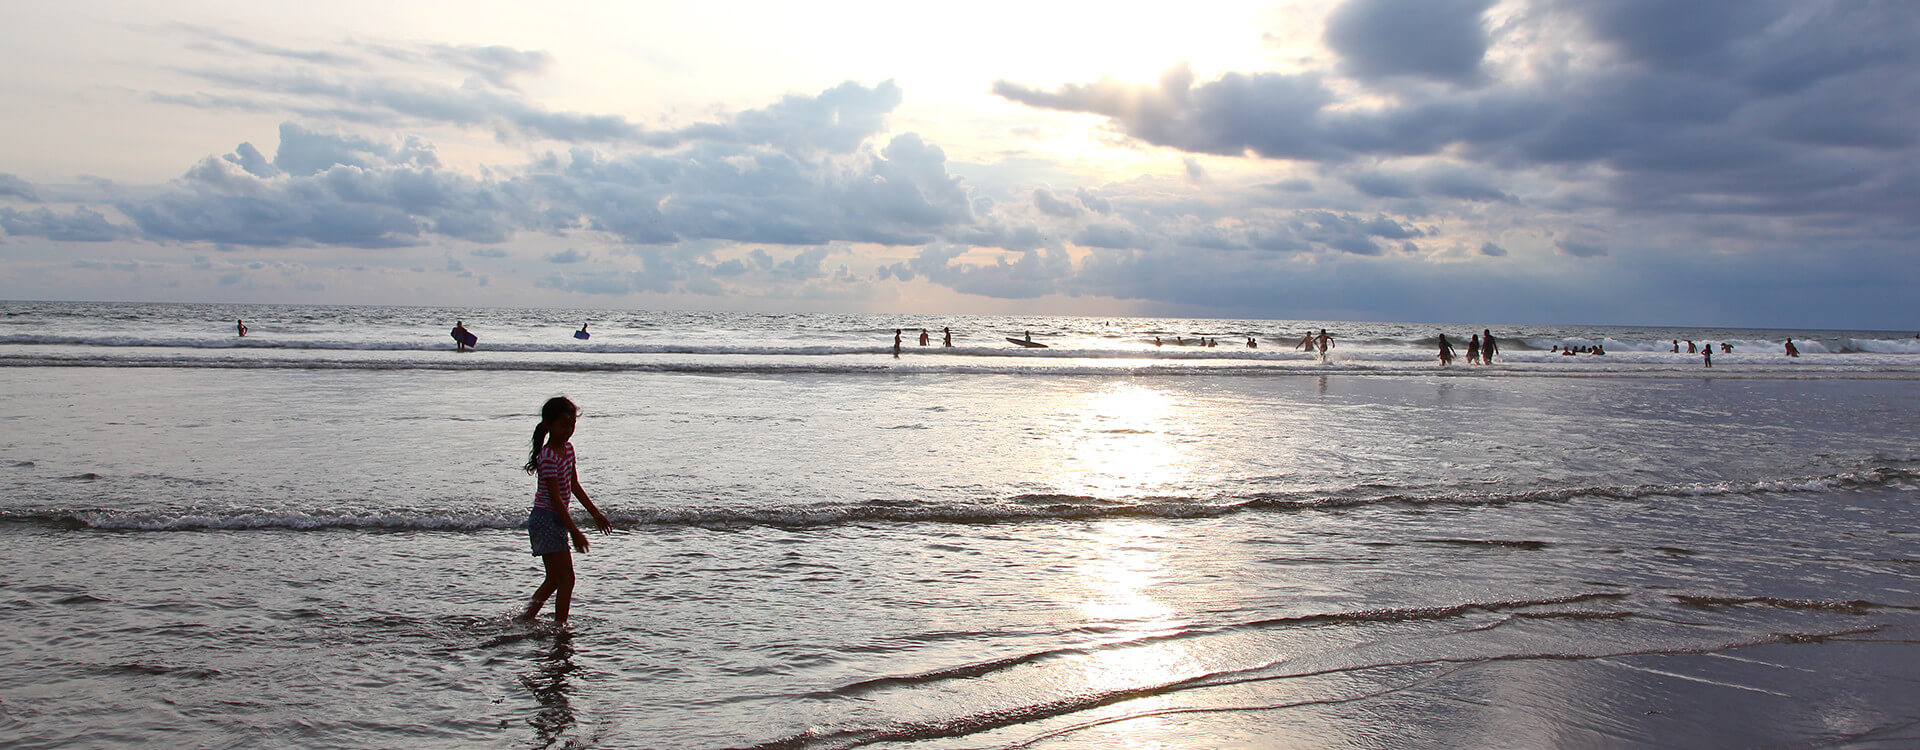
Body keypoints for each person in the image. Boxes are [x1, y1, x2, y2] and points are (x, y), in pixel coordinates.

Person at [519, 397, 611, 626]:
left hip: (554, 519)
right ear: (548, 425)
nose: (568, 431)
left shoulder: (568, 449)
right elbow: (556, 500)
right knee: (566, 579)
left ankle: (526, 618)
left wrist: (596, 513)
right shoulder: (548, 456)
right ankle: (560, 626)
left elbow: (574, 485)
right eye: (563, 425)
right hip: (546, 519)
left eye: (572, 425)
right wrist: (575, 531)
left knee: (554, 579)